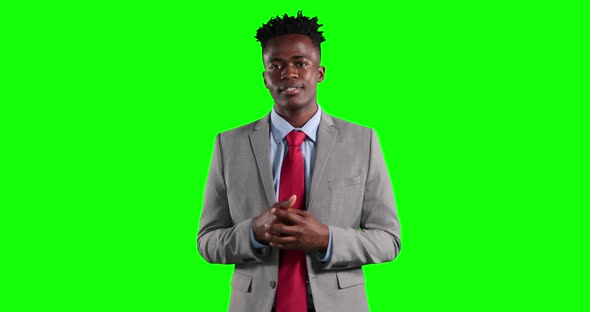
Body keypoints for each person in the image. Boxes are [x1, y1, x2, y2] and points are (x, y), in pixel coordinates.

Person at [197, 11, 401, 312]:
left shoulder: (363, 141)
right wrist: (253, 232)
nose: (288, 74)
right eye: (275, 66)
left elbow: (388, 240)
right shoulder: (229, 144)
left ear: (319, 73)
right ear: (265, 78)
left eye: (300, 63)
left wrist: (326, 238)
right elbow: (207, 241)